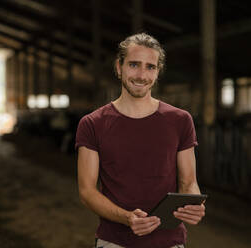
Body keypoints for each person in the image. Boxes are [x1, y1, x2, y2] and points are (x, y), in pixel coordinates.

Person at [75, 33, 205, 248]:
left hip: (169, 242)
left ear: (158, 72)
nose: (142, 75)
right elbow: (87, 191)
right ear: (119, 67)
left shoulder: (180, 120)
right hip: (114, 242)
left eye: (150, 67)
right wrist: (127, 217)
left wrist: (193, 203)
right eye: (134, 65)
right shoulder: (92, 123)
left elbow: (189, 182)